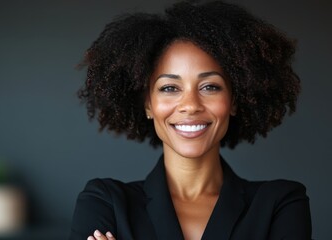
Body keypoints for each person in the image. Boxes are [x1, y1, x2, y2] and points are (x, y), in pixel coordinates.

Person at [69, 1, 312, 239]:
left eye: (210, 86)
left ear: (235, 101)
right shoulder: (105, 203)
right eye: (169, 88)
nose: (190, 105)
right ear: (148, 105)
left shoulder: (280, 204)